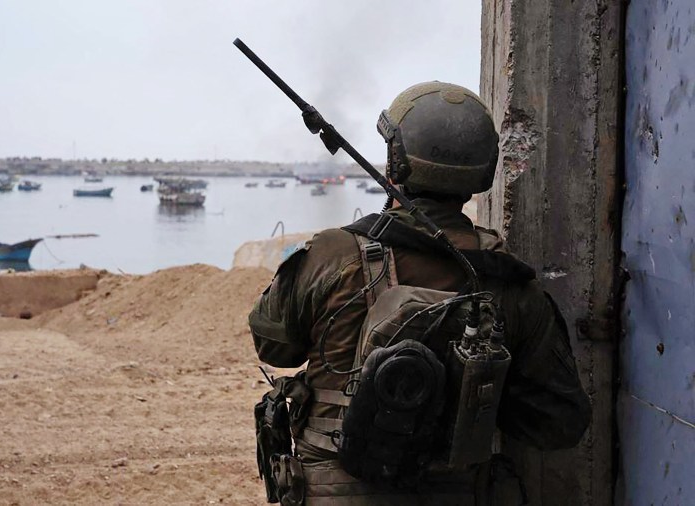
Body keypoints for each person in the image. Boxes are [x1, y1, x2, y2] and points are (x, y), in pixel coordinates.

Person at [249, 82, 591, 505]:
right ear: (482, 174)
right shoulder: (508, 281)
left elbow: (273, 346)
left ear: (396, 163)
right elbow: (559, 423)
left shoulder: (332, 254)